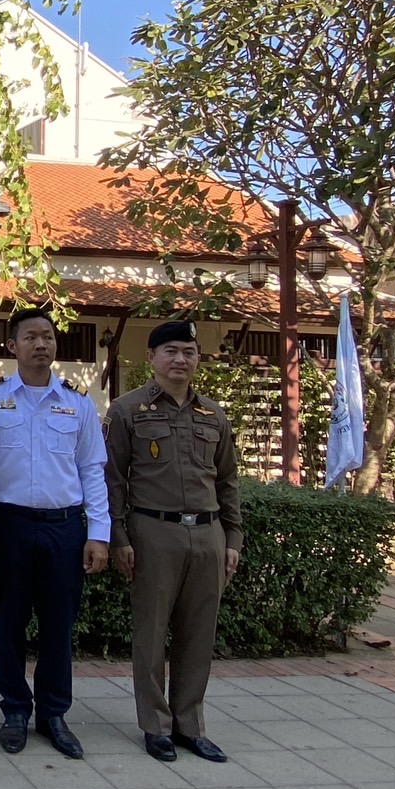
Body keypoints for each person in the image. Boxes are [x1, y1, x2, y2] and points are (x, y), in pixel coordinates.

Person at [105, 320, 243, 764]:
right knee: (151, 633)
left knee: (199, 634)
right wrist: (119, 537)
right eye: (170, 351)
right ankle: (156, 726)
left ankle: (190, 725)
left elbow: (227, 482)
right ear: (151, 357)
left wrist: (232, 538)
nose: (180, 359)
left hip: (207, 533)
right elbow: (114, 480)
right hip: (153, 532)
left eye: (188, 351)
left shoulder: (214, 415)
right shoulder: (127, 411)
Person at [0, 308, 109, 760]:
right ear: (12, 346)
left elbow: (92, 470)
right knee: (10, 621)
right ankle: (15, 709)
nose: (41, 344)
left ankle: (54, 713)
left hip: (64, 528)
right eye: (30, 337)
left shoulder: (78, 403)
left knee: (58, 624)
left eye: (48, 337)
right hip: (9, 524)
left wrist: (99, 533)